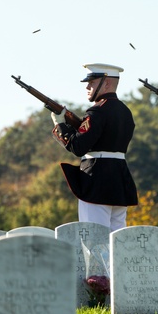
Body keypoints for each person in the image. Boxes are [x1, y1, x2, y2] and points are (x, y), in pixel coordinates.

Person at [53, 63, 138, 232]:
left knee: (95, 238)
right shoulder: (125, 111)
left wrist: (60, 125)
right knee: (118, 238)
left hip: (96, 179)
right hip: (120, 179)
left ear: (106, 83)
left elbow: (78, 147)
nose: (87, 86)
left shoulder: (97, 112)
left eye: (92, 82)